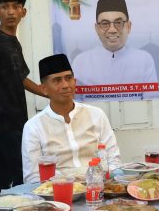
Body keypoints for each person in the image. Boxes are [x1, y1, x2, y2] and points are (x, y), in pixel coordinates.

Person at [0, 0, 44, 193]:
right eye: (5, 7)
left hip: (18, 120)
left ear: (24, 12)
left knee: (7, 172)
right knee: (17, 172)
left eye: (16, 7)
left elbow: (21, 78)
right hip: (1, 123)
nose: (11, 12)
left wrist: (47, 91)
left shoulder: (14, 42)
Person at [22, 54, 121, 182]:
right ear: (44, 89)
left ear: (75, 82)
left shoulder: (96, 115)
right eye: (57, 80)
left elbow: (114, 161)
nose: (65, 85)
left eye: (68, 78)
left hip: (98, 188)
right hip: (57, 192)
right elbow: (33, 177)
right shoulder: (34, 126)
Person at [70, 0, 159, 92]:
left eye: (118, 23)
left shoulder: (144, 59)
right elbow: (77, 102)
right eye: (105, 24)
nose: (112, 30)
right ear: (97, 28)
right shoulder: (81, 62)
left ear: (129, 26)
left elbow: (151, 101)